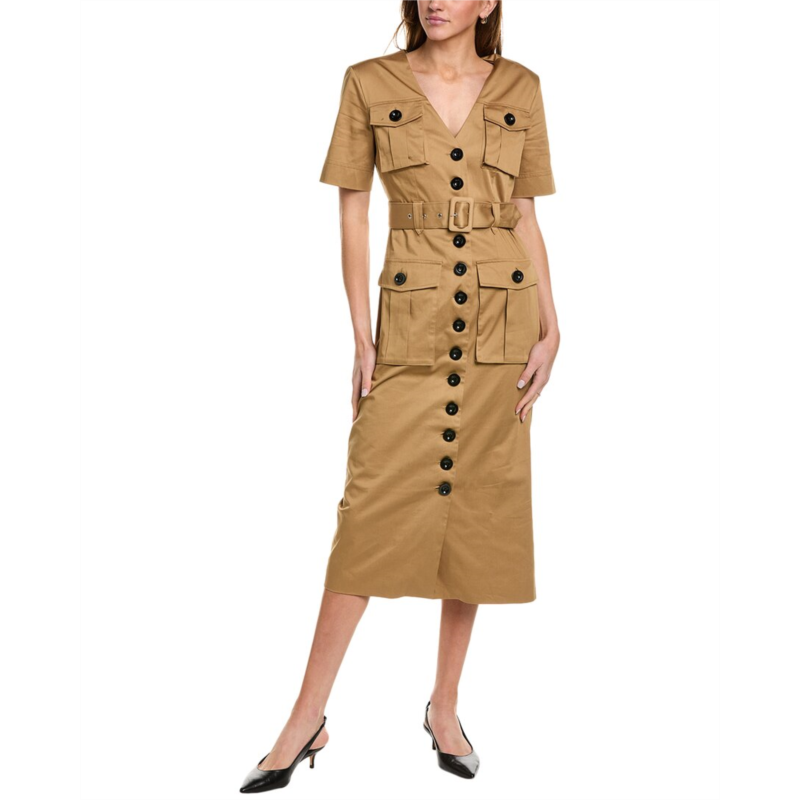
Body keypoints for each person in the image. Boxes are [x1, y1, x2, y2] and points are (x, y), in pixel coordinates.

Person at [239, 0, 559, 792]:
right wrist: (361, 335)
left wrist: (553, 325)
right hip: (410, 328)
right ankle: (305, 718)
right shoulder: (369, 82)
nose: (436, 0)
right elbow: (353, 209)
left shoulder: (521, 86)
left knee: (478, 514)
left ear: (489, 2)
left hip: (502, 330)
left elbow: (522, 213)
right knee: (367, 517)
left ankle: (444, 709)